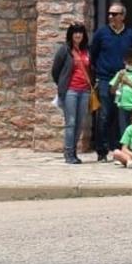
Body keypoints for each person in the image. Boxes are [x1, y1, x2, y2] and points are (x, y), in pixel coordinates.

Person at [89, 1, 132, 162]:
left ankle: (120, 149)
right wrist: (98, 74)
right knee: (104, 115)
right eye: (110, 13)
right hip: (106, 79)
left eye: (115, 14)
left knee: (122, 115)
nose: (111, 16)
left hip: (125, 79)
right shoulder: (101, 33)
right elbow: (93, 55)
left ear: (123, 16)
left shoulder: (131, 34)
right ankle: (102, 151)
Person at [49, 23, 93, 164]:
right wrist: (62, 84)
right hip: (71, 91)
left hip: (85, 90)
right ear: (71, 35)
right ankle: (68, 153)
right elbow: (55, 71)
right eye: (75, 32)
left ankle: (73, 151)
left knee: (79, 123)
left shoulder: (87, 50)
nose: (78, 35)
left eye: (80, 32)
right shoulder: (65, 50)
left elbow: (91, 68)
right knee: (71, 122)